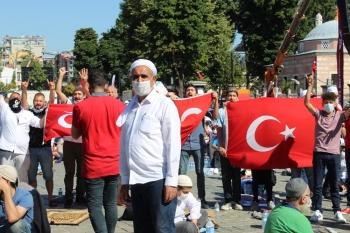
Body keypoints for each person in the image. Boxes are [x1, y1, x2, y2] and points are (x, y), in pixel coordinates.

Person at [119, 59, 181, 233]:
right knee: (142, 229)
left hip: (158, 180)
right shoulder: (129, 108)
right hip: (137, 181)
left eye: (144, 76)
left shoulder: (164, 105)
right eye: (135, 76)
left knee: (163, 229)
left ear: (154, 79)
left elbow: (173, 145)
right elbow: (124, 146)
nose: (140, 80)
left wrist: (171, 181)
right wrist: (124, 181)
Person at [71, 68, 125, 232]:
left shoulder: (80, 107)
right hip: (114, 162)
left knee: (94, 205)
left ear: (89, 84)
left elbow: (74, 135)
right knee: (110, 203)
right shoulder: (120, 105)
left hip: (93, 164)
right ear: (106, 85)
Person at [304, 73, 350, 223]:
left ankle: (337, 211)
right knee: (317, 183)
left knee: (334, 183)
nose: (329, 104)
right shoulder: (319, 114)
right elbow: (307, 104)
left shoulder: (340, 116)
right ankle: (318, 210)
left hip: (334, 155)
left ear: (335, 102)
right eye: (326, 102)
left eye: (331, 101)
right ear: (323, 103)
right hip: (319, 153)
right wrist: (310, 85)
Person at [178, 84, 218, 209]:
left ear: (196, 93)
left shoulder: (201, 105)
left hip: (198, 144)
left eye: (192, 90)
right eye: (188, 90)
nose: (190, 92)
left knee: (200, 172)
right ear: (185, 93)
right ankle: (180, 199)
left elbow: (215, 116)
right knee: (181, 173)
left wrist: (215, 100)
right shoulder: (180, 105)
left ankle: (202, 198)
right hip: (183, 143)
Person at [21, 79, 56, 207]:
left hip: (45, 148)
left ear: (44, 102)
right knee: (32, 176)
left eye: (40, 101)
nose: (38, 103)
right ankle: (33, 199)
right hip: (31, 149)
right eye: (36, 100)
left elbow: (52, 102)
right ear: (33, 101)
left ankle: (51, 198)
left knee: (48, 175)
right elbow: (23, 104)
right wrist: (24, 90)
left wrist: (52, 90)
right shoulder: (28, 112)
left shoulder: (47, 111)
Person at [56, 67, 87, 208]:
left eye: (80, 94)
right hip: (68, 143)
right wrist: (61, 75)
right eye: (75, 94)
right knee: (69, 172)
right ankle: (68, 197)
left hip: (83, 144)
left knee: (81, 173)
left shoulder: (87, 105)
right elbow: (58, 91)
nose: (77, 96)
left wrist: (84, 82)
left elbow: (91, 94)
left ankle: (80, 196)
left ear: (84, 95)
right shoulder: (68, 104)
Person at [0, 93, 45, 182]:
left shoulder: (28, 114)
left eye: (16, 98)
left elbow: (40, 124)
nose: (14, 99)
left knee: (22, 180)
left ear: (20, 100)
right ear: (8, 100)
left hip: (22, 153)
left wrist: (47, 113)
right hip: (6, 152)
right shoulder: (4, 109)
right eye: (12, 98)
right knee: (5, 179)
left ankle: (20, 196)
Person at [214, 90, 243, 211]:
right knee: (226, 175)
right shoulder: (222, 111)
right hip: (225, 148)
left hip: (238, 149)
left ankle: (236, 200)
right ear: (225, 97)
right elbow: (219, 130)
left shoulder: (242, 110)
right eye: (229, 96)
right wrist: (220, 145)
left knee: (237, 175)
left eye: (234, 96)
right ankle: (227, 200)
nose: (231, 98)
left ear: (238, 98)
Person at [0, 164, 34, 233]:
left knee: (15, 225)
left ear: (7, 182)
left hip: (19, 230)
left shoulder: (25, 196)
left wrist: (6, 190)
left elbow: (12, 217)